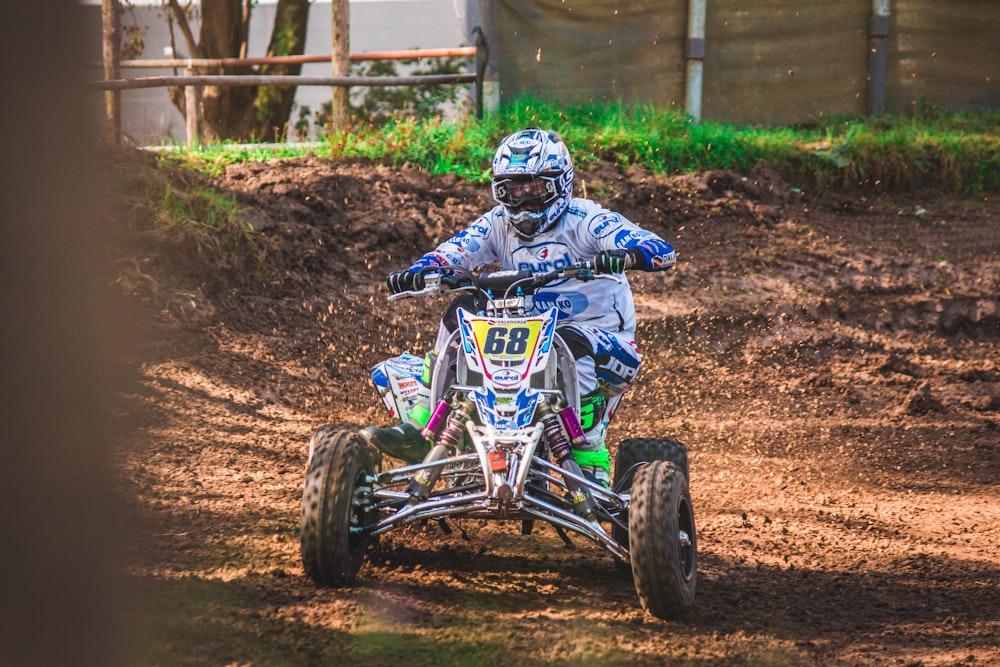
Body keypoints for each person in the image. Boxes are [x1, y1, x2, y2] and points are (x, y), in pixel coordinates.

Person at [362, 127, 676, 486]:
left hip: (605, 345)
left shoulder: (588, 220)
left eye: (535, 189)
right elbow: (455, 252)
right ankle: (423, 428)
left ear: (560, 184)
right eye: (513, 191)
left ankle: (588, 454)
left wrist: (629, 255)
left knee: (570, 341)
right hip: (526, 339)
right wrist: (422, 271)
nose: (524, 202)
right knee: (463, 308)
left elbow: (660, 248)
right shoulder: (497, 222)